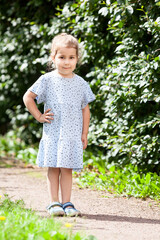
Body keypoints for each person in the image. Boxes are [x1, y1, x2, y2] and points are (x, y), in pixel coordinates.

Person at [23, 33, 95, 217]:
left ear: (77, 59)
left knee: (67, 168)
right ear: (53, 57)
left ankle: (67, 203)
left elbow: (85, 109)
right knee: (54, 167)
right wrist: (39, 116)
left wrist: (84, 133)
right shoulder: (47, 80)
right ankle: (54, 202)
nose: (66, 62)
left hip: (72, 135)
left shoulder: (81, 83)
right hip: (54, 133)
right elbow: (28, 97)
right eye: (62, 57)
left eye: (71, 57)